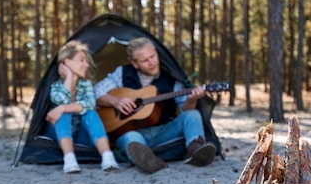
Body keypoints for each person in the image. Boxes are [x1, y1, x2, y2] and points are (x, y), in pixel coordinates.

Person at [93, 37, 216, 173]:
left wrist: (192, 100)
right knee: (131, 139)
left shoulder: (171, 76)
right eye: (145, 60)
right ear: (134, 63)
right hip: (133, 132)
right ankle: (147, 160)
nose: (152, 62)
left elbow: (183, 110)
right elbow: (95, 92)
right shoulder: (122, 73)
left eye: (153, 56)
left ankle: (196, 149)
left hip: (164, 131)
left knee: (192, 115)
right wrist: (115, 101)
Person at [46, 40, 119, 174]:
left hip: (81, 136)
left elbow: (91, 104)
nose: (86, 65)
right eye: (82, 60)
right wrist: (68, 76)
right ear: (67, 62)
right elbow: (60, 100)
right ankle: (69, 159)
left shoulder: (86, 84)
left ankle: (107, 157)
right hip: (57, 135)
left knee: (90, 112)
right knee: (64, 114)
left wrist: (62, 108)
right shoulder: (55, 85)